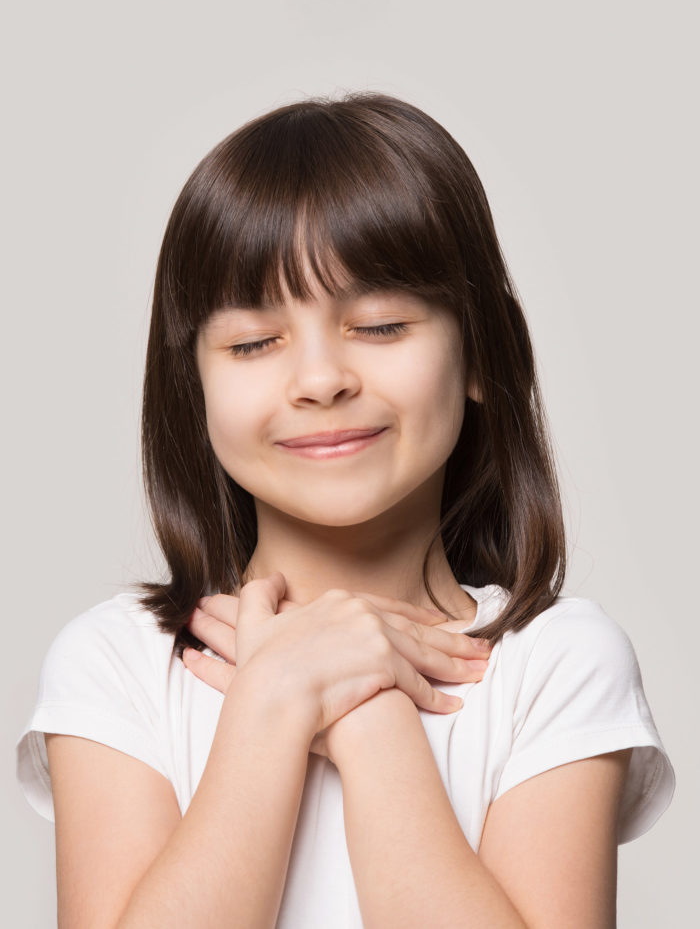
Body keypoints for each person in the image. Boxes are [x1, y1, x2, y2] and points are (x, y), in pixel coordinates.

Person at [16, 91, 675, 928]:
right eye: (255, 342)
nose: (321, 379)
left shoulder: (555, 664)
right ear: (196, 387)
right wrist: (274, 698)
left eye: (381, 324)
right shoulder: (118, 666)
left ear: (481, 353)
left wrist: (370, 722)